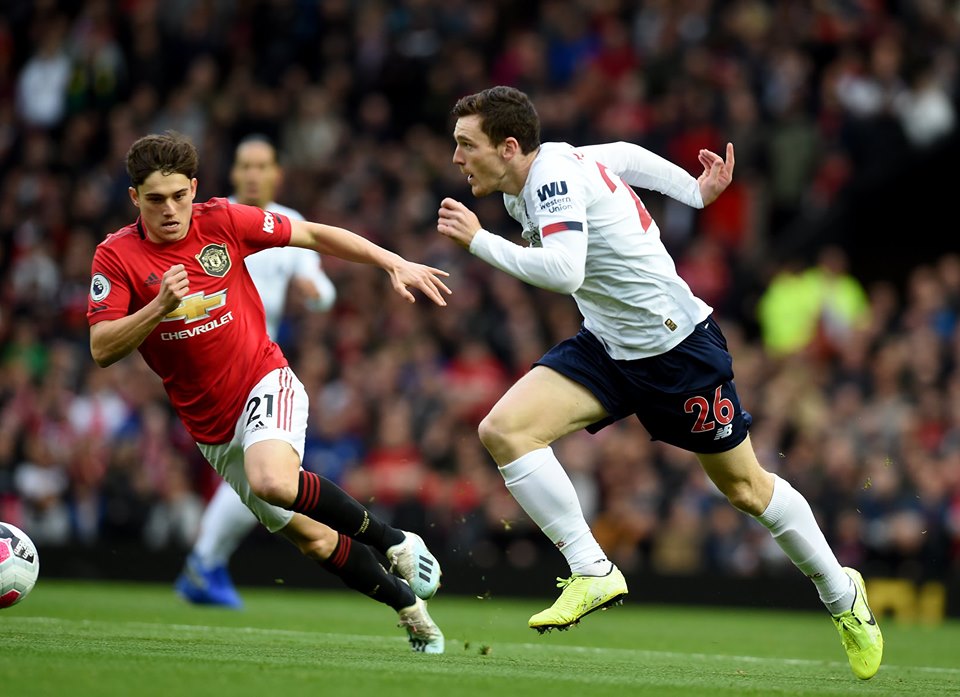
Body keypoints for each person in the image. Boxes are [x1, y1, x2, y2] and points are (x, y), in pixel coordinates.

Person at [436, 86, 882, 679]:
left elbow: (566, 269)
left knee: (747, 490)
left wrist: (478, 242)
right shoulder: (554, 165)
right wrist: (693, 191)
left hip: (677, 353)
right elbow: (620, 153)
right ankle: (591, 569)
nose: (458, 157)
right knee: (505, 431)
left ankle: (841, 594)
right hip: (609, 347)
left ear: (510, 146)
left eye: (466, 145)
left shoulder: (547, 181)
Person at [88, 131, 449, 653]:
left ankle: (396, 541)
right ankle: (409, 609)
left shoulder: (224, 221)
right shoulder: (116, 257)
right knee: (314, 537)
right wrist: (156, 307)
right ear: (133, 199)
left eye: (179, 196)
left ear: (194, 188)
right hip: (211, 429)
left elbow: (314, 235)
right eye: (154, 200)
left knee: (274, 480)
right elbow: (101, 348)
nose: (169, 210)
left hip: (265, 378)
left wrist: (392, 261)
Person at [174, 135, 338, 609]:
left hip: (256, 365)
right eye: (244, 165)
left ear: (276, 173)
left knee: (260, 472)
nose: (252, 174)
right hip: (206, 365)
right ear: (234, 173)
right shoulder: (210, 219)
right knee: (256, 474)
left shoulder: (289, 223)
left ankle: (203, 565)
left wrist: (315, 291)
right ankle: (203, 564)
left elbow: (322, 288)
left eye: (261, 165)